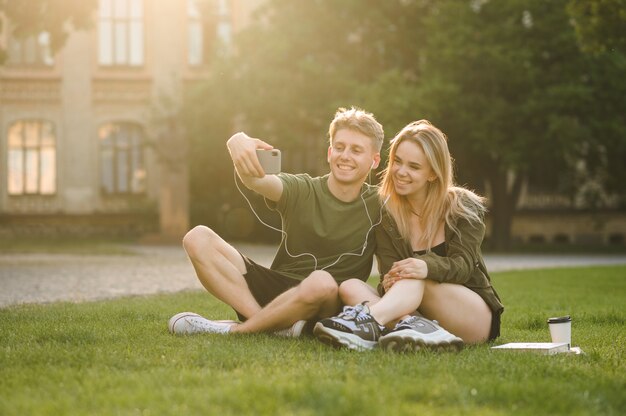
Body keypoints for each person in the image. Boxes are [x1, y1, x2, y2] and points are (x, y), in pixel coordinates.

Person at [168, 107, 385, 337]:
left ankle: (239, 330)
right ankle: (268, 325)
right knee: (197, 237)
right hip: (276, 292)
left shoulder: (382, 202)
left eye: (356, 150)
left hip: (327, 302)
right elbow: (257, 181)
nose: (345, 156)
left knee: (322, 282)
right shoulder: (303, 188)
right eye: (339, 147)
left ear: (374, 160)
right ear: (330, 152)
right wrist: (236, 141)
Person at [314, 120, 504, 351]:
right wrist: (390, 281)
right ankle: (414, 328)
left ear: (433, 173)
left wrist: (424, 267)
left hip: (472, 317)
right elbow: (390, 279)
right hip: (414, 312)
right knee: (350, 286)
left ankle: (366, 322)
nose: (401, 172)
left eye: (414, 167)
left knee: (414, 277)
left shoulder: (462, 207)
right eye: (397, 162)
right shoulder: (388, 215)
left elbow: (463, 265)